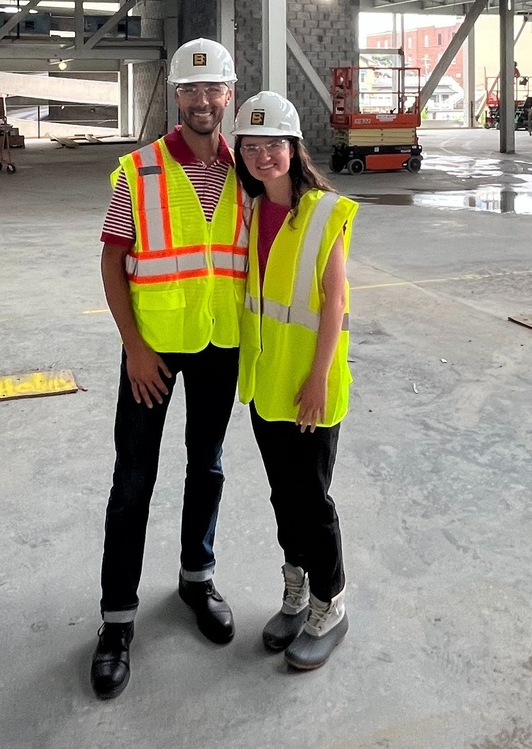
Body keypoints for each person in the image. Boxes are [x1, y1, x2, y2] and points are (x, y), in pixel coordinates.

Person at [91, 38, 251, 700]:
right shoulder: (139, 170)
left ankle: (196, 579)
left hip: (219, 345)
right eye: (192, 90)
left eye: (215, 89)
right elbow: (112, 259)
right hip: (152, 352)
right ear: (177, 97)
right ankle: (117, 621)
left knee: (207, 465)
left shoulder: (252, 170)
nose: (204, 100)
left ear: (229, 95)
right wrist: (133, 346)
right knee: (134, 479)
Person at [232, 90, 358, 672]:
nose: (263, 157)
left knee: (313, 501)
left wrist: (317, 379)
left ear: (293, 148)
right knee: (285, 497)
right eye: (252, 148)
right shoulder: (251, 210)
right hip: (265, 384)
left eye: (273, 145)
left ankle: (331, 605)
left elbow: (334, 303)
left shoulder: (325, 211)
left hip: (309, 386)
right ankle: (297, 590)